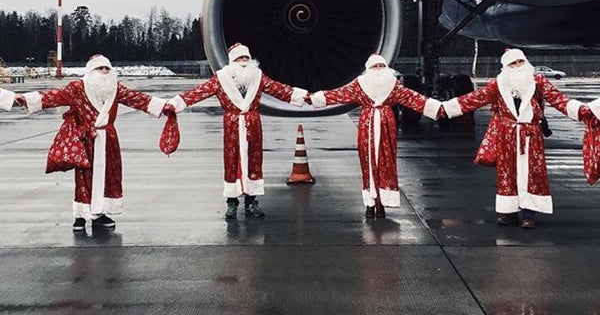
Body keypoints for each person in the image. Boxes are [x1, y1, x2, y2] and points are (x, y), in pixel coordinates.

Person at [440, 48, 598, 229]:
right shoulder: (498, 84)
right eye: (512, 63)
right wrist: (442, 109)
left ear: (526, 62)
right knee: (507, 173)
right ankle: (509, 212)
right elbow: (473, 99)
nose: (517, 66)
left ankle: (529, 213)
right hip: (506, 135)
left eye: (520, 62)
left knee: (533, 173)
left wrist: (585, 111)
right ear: (505, 66)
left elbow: (558, 99)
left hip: (531, 135)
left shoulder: (538, 81)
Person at [18, 54, 173, 232]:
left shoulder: (115, 89)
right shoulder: (77, 88)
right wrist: (24, 99)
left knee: (109, 176)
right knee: (84, 178)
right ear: (91, 71)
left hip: (108, 140)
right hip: (86, 140)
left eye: (108, 68)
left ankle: (101, 213)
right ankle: (81, 215)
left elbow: (138, 99)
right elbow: (53, 97)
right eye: (100, 68)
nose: (105, 72)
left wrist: (165, 106)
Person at [167, 43, 307, 220]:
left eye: (246, 58)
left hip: (252, 124)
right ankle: (231, 203)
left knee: (254, 160)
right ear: (232, 61)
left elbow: (279, 90)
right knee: (231, 160)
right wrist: (175, 103)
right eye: (239, 58)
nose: (243, 62)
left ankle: (251, 202)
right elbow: (198, 92)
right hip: (232, 124)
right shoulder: (221, 78)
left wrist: (305, 97)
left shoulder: (258, 76)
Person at [310, 54, 442, 219]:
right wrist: (313, 98)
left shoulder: (391, 85)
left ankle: (379, 203)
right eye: (375, 66)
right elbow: (338, 94)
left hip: (382, 124)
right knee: (368, 162)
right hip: (372, 123)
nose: (378, 70)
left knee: (386, 161)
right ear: (368, 69)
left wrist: (440, 108)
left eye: (381, 66)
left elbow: (414, 98)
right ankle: (371, 203)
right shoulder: (364, 85)